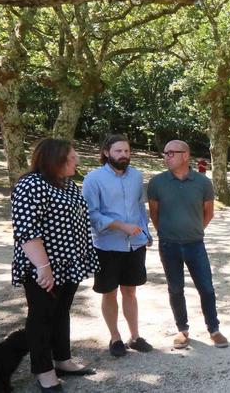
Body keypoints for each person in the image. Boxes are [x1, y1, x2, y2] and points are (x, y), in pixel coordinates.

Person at [11, 139, 100, 392]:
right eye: (71, 158)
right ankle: (43, 370)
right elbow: (26, 232)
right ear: (54, 159)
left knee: (61, 312)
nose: (77, 161)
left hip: (68, 264)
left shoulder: (68, 184)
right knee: (41, 317)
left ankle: (62, 360)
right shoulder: (30, 185)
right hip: (43, 266)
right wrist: (43, 267)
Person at [147, 140, 228, 349]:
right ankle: (182, 330)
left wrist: (193, 229)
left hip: (195, 244)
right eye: (165, 153)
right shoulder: (157, 182)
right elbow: (154, 213)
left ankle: (214, 329)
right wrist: (167, 232)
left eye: (171, 153)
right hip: (168, 245)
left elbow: (208, 212)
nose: (166, 156)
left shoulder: (202, 182)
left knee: (207, 289)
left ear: (185, 155)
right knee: (175, 289)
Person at [82, 134, 153, 357]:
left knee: (130, 291)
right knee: (109, 292)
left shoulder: (137, 176)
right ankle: (115, 338)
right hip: (107, 246)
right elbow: (91, 213)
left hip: (135, 245)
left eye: (127, 151)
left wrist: (147, 233)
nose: (123, 155)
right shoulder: (93, 179)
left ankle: (135, 336)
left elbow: (141, 208)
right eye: (118, 151)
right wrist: (119, 225)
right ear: (106, 152)